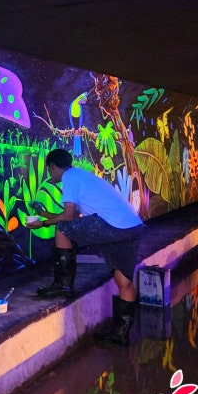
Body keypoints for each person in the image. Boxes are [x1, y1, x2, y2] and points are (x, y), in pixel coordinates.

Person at [30, 148, 144, 346]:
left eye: (49, 170)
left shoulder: (69, 177)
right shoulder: (81, 176)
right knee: (123, 281)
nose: (50, 174)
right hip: (132, 227)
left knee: (63, 229)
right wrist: (44, 214)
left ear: (52, 166)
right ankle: (120, 334)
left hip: (113, 225)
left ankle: (62, 285)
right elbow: (72, 215)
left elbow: (68, 217)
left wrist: (43, 223)